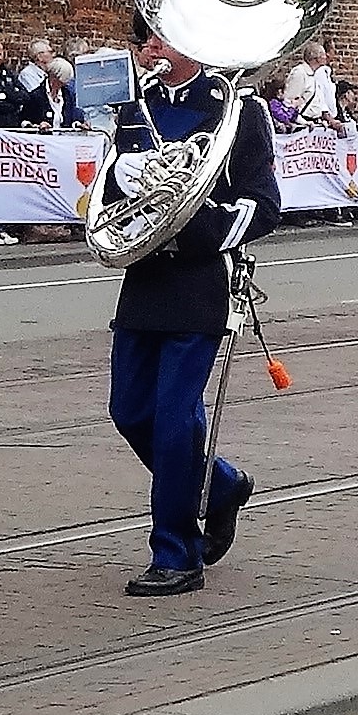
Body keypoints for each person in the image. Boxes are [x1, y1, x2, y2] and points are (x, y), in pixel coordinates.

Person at [107, 34, 277, 598]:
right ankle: (220, 485)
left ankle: (176, 553)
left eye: (162, 39)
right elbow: (110, 190)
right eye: (148, 39)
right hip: (145, 275)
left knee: (175, 417)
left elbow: (263, 202)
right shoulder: (136, 109)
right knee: (129, 411)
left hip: (202, 277)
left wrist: (196, 225)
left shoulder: (237, 107)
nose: (151, 49)